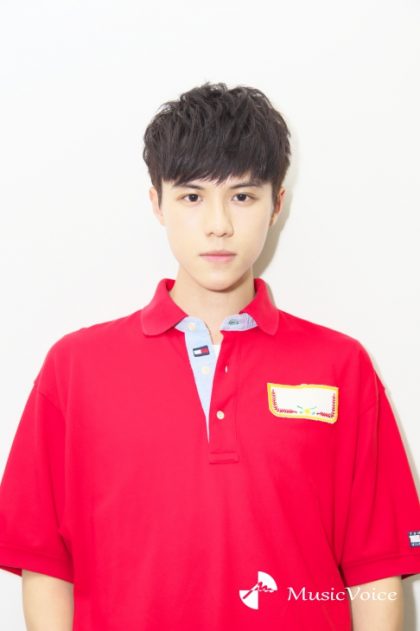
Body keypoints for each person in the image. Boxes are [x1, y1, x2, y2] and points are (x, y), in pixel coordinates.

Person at [0, 82, 419, 631]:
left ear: (277, 205)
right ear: (157, 203)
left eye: (242, 196)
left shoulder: (341, 366)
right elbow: (44, 564)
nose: (218, 223)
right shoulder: (75, 368)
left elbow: (377, 570)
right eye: (192, 196)